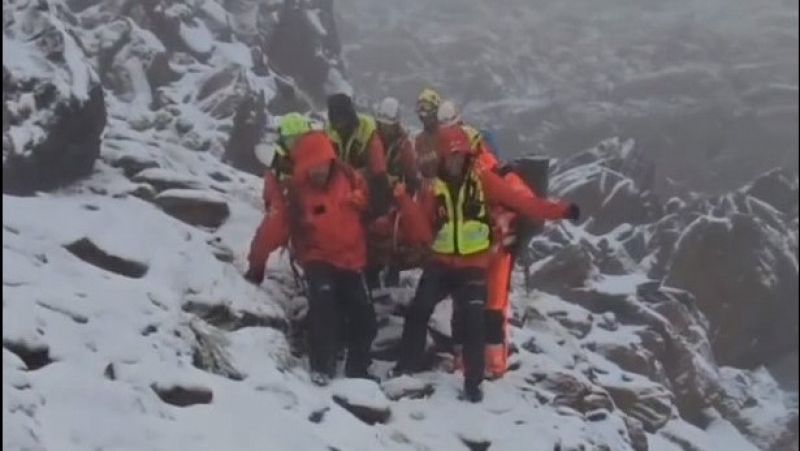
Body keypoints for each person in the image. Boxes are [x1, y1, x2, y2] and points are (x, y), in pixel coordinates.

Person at [393, 124, 580, 402]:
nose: (456, 161)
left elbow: (522, 202)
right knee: (419, 308)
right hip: (442, 263)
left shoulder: (483, 180)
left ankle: (473, 382)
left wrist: (561, 211)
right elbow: (422, 230)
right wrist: (403, 200)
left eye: (460, 155)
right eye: (451, 156)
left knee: (474, 321)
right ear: (443, 157)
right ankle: (406, 367)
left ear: (468, 155)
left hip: (473, 264)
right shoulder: (434, 188)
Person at [261, 112, 314, 211]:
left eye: (301, 139)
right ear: (283, 141)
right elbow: (270, 200)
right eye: (291, 140)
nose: (297, 145)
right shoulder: (278, 164)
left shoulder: (320, 160)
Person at [414, 88, 443, 181]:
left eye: (426, 107)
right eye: (420, 108)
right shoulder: (419, 140)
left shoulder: (446, 134)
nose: (423, 114)